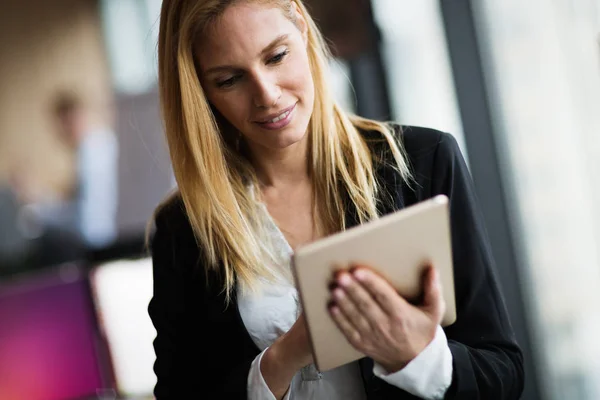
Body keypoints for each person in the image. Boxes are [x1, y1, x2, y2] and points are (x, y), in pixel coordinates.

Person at [147, 0, 524, 399]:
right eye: (229, 80)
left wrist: (418, 354)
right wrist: (285, 355)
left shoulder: (424, 161)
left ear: (303, 32)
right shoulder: (184, 229)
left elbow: (502, 373)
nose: (267, 95)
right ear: (200, 91)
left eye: (276, 56)